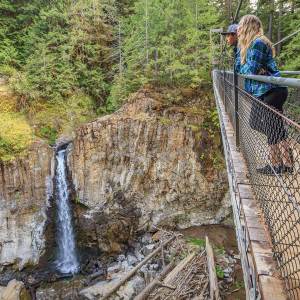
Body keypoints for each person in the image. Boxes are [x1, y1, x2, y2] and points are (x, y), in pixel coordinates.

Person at [237, 15, 293, 175]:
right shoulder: (252, 44)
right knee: (259, 123)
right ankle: (286, 163)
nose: (238, 30)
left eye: (240, 26)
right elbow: (246, 70)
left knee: (271, 126)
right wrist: (246, 68)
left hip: (272, 90)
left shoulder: (258, 43)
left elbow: (249, 71)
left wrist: (245, 68)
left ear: (248, 26)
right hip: (264, 91)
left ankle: (277, 165)